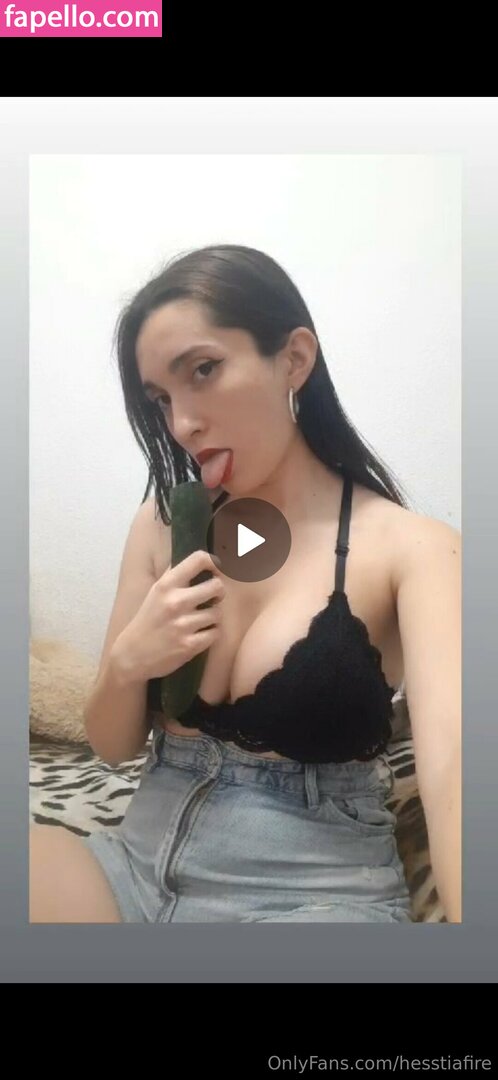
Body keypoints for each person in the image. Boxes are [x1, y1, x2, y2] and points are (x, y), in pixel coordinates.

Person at [30, 244, 461, 923]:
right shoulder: (163, 524)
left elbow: (457, 774)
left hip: (310, 896)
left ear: (294, 358)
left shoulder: (414, 549)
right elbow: (112, 746)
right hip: (134, 867)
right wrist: (129, 662)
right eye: (161, 399)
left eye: (203, 370)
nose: (181, 424)